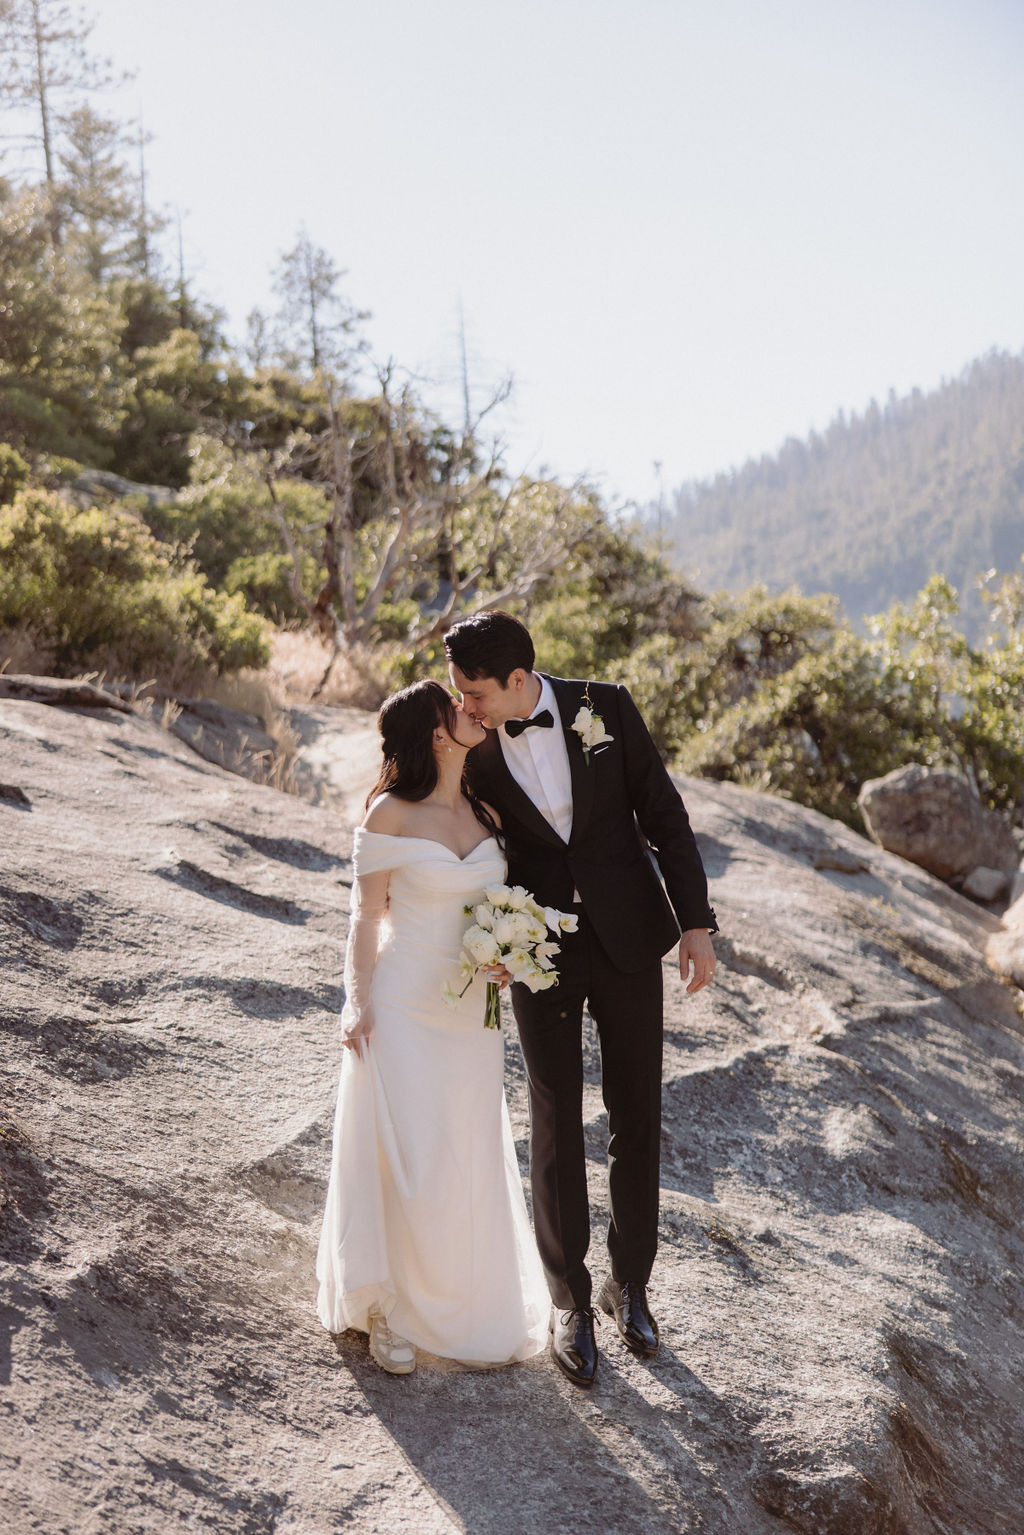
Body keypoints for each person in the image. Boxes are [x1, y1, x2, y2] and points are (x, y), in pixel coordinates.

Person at [444, 612, 717, 1388]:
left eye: (473, 691)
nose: (464, 704)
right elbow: (455, 838)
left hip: (630, 934)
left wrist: (695, 922)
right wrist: (481, 937)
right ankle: (569, 1299)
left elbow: (664, 815)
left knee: (637, 1111)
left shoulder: (608, 704)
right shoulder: (469, 744)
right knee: (556, 1115)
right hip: (538, 951)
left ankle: (630, 1283)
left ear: (516, 680)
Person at [315, 679, 550, 1372]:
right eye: (457, 706)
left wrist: (507, 953)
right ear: (437, 733)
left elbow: (498, 903)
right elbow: (364, 918)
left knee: (460, 1148)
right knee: (404, 1148)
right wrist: (356, 1000)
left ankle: (457, 1297)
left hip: (470, 1012)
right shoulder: (390, 812)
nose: (470, 709)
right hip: (405, 998)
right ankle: (385, 1305)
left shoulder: (484, 807)